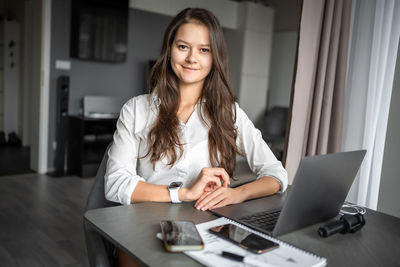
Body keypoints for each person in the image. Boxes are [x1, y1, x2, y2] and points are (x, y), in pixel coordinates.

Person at [104, 7, 288, 266]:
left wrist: (238, 194)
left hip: (206, 227)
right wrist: (183, 193)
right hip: (140, 228)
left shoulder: (229, 113)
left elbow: (277, 175)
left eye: (204, 49)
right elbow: (115, 184)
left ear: (215, 58)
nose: (192, 58)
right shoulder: (137, 109)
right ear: (169, 51)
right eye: (183, 47)